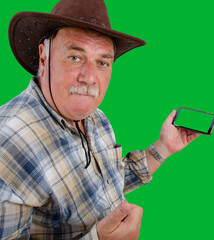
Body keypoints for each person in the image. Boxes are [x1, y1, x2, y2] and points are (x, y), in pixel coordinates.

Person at [0, 0, 200, 239]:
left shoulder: (96, 117)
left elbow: (103, 183)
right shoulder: (9, 143)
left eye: (103, 63)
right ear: (44, 57)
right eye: (75, 57)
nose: (90, 78)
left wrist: (163, 147)